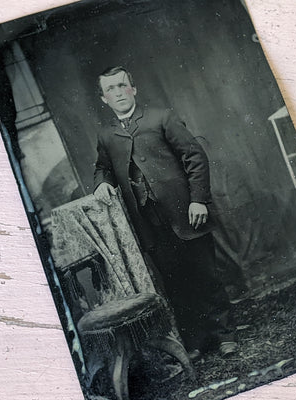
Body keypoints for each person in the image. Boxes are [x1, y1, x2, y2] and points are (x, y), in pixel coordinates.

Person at [93, 66, 235, 358]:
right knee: (175, 283)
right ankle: (195, 340)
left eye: (122, 86)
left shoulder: (161, 117)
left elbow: (194, 156)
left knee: (206, 275)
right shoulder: (106, 135)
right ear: (104, 99)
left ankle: (224, 335)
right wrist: (101, 184)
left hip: (187, 213)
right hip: (149, 223)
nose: (118, 92)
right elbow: (102, 168)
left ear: (133, 89)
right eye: (111, 89)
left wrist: (198, 200)